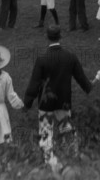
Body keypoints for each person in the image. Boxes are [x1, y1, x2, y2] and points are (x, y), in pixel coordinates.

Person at [23, 26, 92, 170]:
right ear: (61, 37)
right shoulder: (70, 56)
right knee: (66, 127)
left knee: (46, 131)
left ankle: (49, 160)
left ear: (46, 37)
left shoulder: (42, 59)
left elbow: (34, 83)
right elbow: (80, 77)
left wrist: (28, 102)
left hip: (46, 103)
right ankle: (72, 155)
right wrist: (88, 87)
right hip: (64, 101)